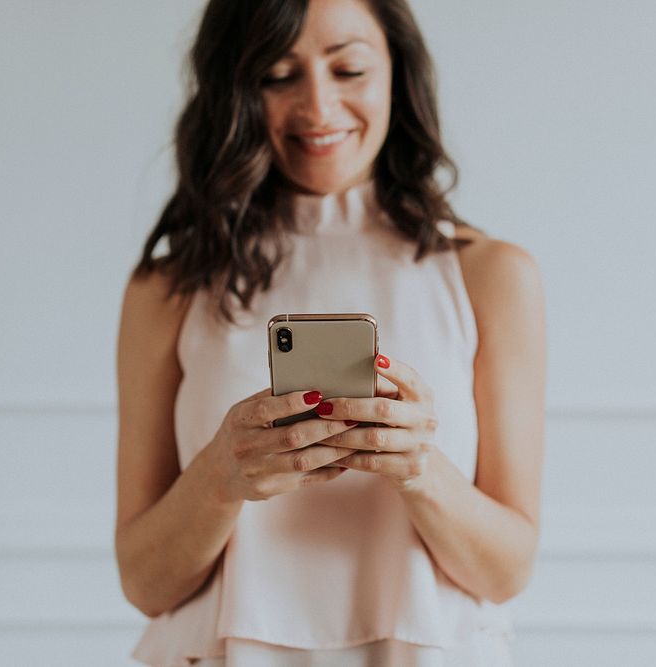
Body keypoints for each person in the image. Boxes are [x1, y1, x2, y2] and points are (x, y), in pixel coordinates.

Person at [113, 0, 546, 664]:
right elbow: (144, 583)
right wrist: (222, 473)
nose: (317, 106)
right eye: (279, 74)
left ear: (398, 74)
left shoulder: (490, 275)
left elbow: (506, 571)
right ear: (236, 90)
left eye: (348, 69)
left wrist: (419, 468)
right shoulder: (167, 290)